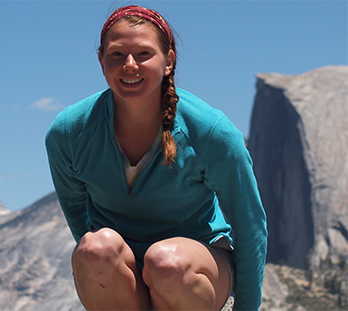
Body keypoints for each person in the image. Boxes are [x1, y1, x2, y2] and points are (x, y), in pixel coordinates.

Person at [46, 5, 267, 311]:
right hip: (126, 273)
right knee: (94, 249)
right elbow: (81, 223)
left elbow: (249, 226)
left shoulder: (211, 133)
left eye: (144, 54)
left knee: (166, 262)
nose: (130, 65)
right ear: (101, 61)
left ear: (168, 61)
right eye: (117, 54)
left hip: (196, 266)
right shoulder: (69, 133)